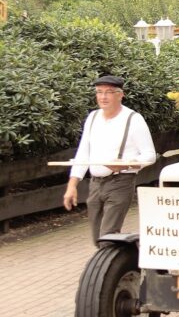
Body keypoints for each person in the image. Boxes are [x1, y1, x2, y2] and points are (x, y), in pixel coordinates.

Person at [62, 76, 156, 246]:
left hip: (120, 182)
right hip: (95, 184)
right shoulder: (93, 117)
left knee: (108, 238)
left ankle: (108, 270)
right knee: (98, 239)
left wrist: (126, 163)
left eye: (109, 92)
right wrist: (71, 186)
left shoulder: (133, 119)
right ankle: (126, 261)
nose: (103, 97)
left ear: (121, 95)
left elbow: (150, 155)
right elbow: (83, 153)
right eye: (99, 92)